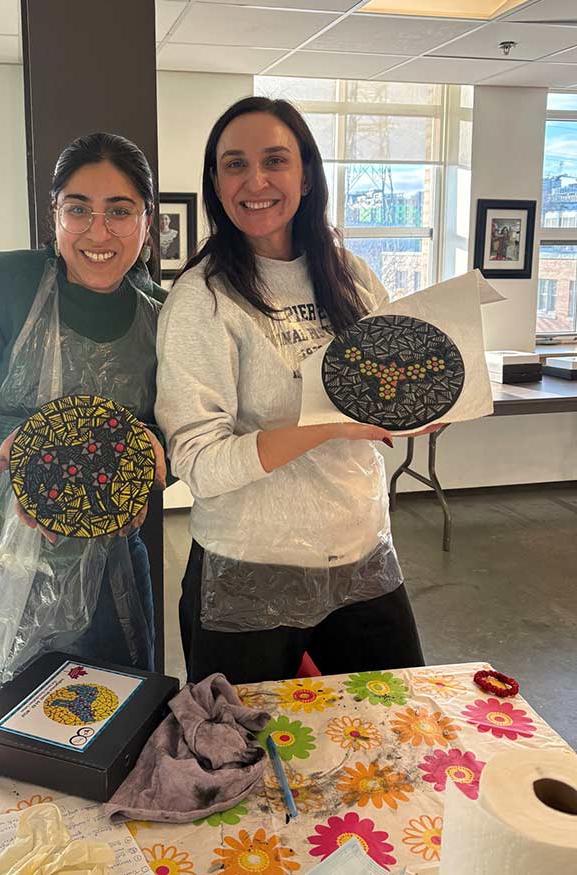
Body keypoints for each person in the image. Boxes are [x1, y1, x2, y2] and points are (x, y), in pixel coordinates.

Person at [156, 97, 435, 685]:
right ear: (216, 182)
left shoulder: (351, 276)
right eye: (234, 164)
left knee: (393, 743)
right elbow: (199, 463)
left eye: (274, 160)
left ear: (306, 175)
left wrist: (427, 407)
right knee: (248, 762)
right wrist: (328, 425)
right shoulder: (201, 298)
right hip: (248, 570)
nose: (255, 180)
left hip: (362, 553)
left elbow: (387, 398)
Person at [0, 132, 167, 711]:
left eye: (120, 211)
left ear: (149, 221)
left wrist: (151, 458)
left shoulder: (163, 320)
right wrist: (28, 448)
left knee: (106, 747)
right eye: (78, 209)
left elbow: (170, 441)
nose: (99, 232)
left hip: (104, 573)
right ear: (55, 216)